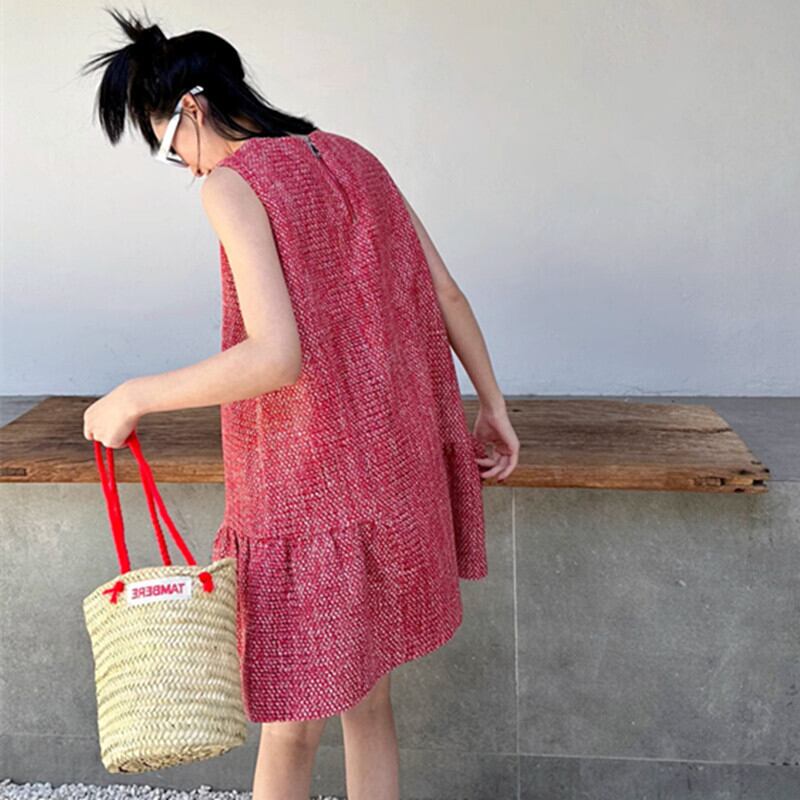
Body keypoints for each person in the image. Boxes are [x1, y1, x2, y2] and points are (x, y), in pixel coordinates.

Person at [80, 8, 519, 800]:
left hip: (305, 489)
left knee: (290, 725)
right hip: (391, 477)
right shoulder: (354, 157)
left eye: (169, 146)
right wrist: (492, 405)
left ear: (193, 109)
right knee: (369, 704)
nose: (182, 166)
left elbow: (276, 356)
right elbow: (445, 291)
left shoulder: (232, 185)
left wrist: (135, 395)